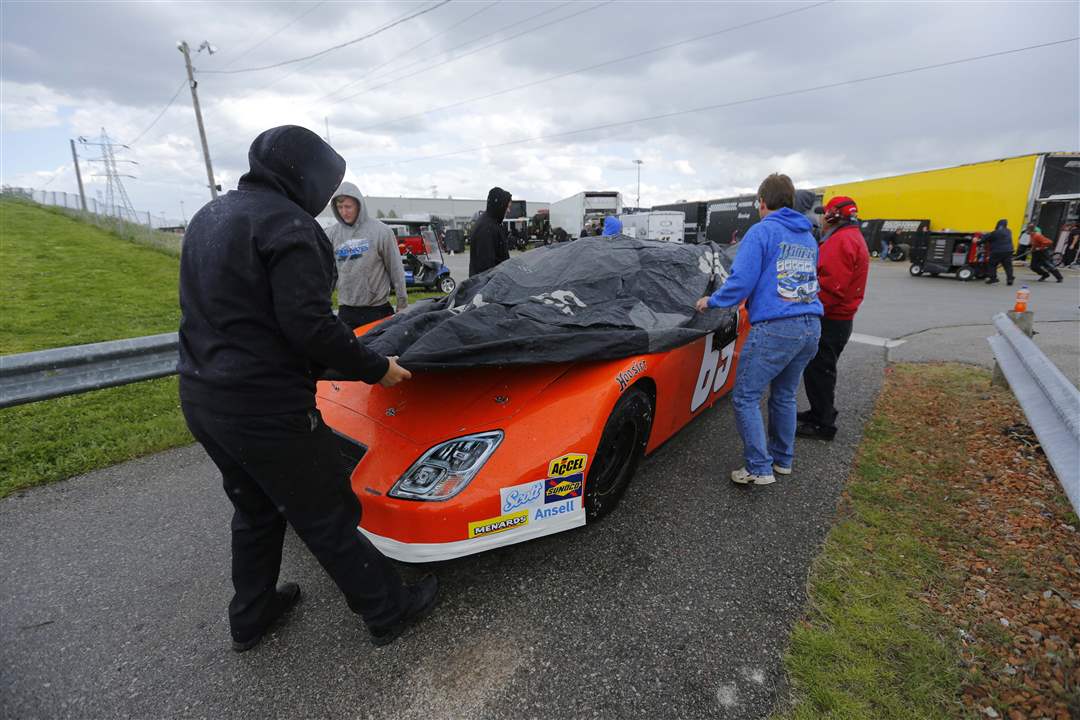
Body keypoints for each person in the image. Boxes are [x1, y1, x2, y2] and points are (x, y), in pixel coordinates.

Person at [178, 125, 437, 653]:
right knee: (324, 511)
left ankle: (251, 616)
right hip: (264, 405)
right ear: (308, 175)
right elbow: (311, 327)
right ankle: (387, 609)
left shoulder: (212, 215)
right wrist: (374, 369)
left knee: (254, 508)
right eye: (328, 181)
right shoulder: (290, 226)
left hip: (202, 396)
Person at [695, 173, 823, 485]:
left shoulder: (761, 231)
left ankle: (758, 467)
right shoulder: (807, 235)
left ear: (762, 202)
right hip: (811, 327)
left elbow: (741, 282)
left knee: (746, 397)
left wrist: (711, 301)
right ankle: (782, 460)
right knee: (784, 395)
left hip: (777, 328)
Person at [797, 196, 869, 441]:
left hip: (831, 318)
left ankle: (822, 424)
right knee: (821, 369)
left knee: (819, 370)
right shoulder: (850, 237)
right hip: (839, 317)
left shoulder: (841, 241)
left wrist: (808, 309)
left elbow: (831, 287)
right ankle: (821, 411)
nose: (821, 218)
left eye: (824, 213)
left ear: (833, 216)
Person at [325, 182, 408, 330]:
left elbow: (395, 269)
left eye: (348, 207)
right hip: (347, 311)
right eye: (340, 207)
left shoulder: (381, 232)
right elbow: (330, 273)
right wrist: (323, 304)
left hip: (377, 310)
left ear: (359, 205)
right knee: (347, 352)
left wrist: (402, 303)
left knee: (381, 351)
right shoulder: (332, 234)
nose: (344, 212)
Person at [468, 186, 512, 276]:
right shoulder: (486, 228)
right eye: (507, 207)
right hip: (487, 286)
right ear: (499, 205)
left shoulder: (492, 224)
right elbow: (486, 268)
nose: (508, 210)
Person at [983, 218, 1015, 285]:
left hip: (997, 252)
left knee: (992, 264)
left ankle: (993, 279)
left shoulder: (995, 233)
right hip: (1009, 251)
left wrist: (977, 241)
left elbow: (986, 239)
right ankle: (1010, 279)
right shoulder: (1009, 231)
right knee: (1008, 266)